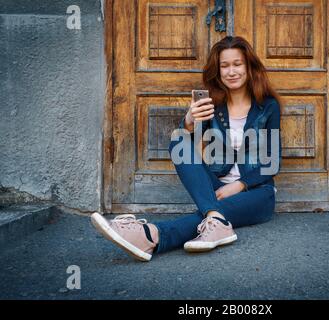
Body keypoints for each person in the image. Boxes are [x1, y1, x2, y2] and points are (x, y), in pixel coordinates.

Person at [91, 36, 282, 262]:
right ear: (218, 71)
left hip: (257, 193)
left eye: (237, 64)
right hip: (215, 186)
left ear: (249, 67)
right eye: (224, 65)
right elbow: (191, 144)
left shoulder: (268, 106)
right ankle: (215, 219)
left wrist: (238, 186)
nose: (231, 71)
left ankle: (151, 235)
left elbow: (272, 162)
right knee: (179, 142)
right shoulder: (212, 104)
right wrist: (189, 120)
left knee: (211, 212)